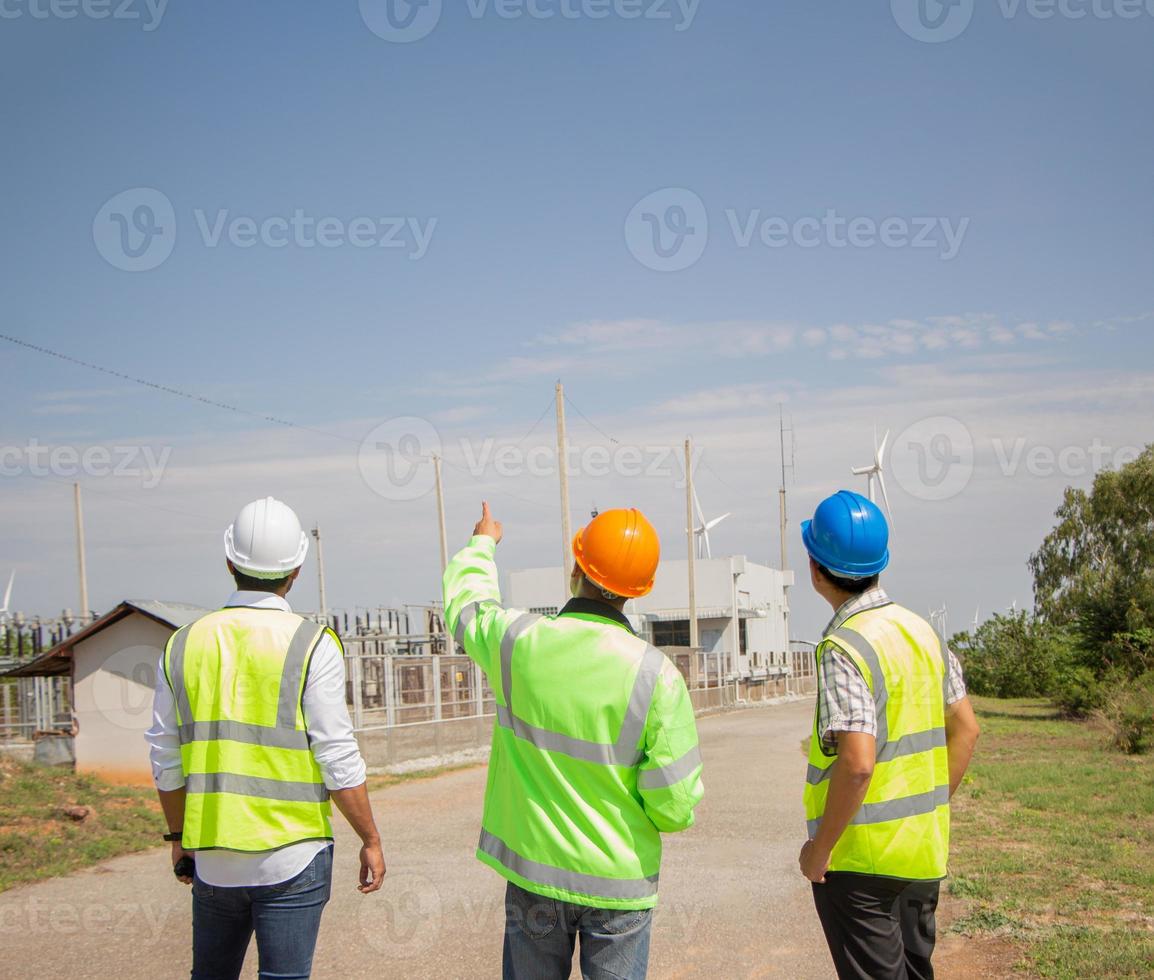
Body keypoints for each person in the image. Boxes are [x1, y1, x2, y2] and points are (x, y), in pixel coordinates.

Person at [443, 502, 704, 980]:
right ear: (638, 591)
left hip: (536, 875)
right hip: (619, 887)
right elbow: (675, 805)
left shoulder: (518, 643)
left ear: (576, 569)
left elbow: (466, 608)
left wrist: (482, 543)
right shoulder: (656, 676)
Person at [146, 496, 385, 980]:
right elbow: (336, 756)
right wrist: (370, 838)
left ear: (229, 560)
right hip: (293, 856)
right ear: (297, 566)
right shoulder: (311, 643)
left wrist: (179, 838)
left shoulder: (183, 643)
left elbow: (163, 756)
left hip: (213, 860)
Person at [797, 490, 980, 980]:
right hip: (921, 853)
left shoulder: (843, 646)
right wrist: (930, 803)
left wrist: (821, 849)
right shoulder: (924, 632)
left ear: (816, 570)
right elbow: (966, 729)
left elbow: (857, 762)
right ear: (881, 563)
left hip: (860, 862)